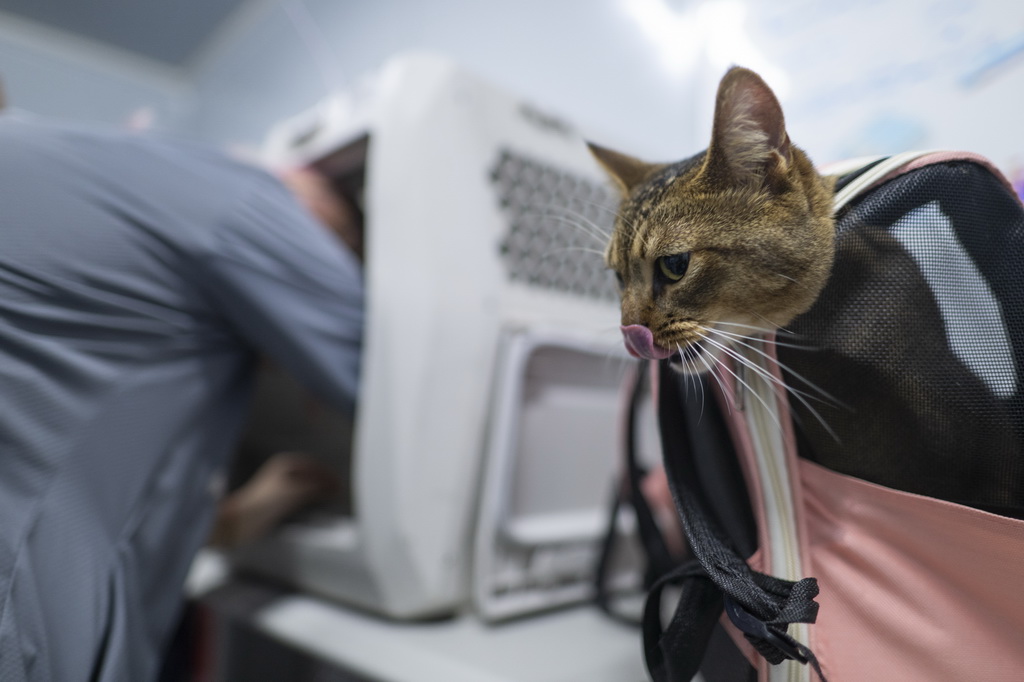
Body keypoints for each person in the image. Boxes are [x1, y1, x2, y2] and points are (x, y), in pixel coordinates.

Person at [0, 104, 365, 682]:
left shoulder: (59, 170)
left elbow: (79, 470)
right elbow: (394, 380)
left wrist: (246, 516)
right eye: (343, 249)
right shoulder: (253, 198)